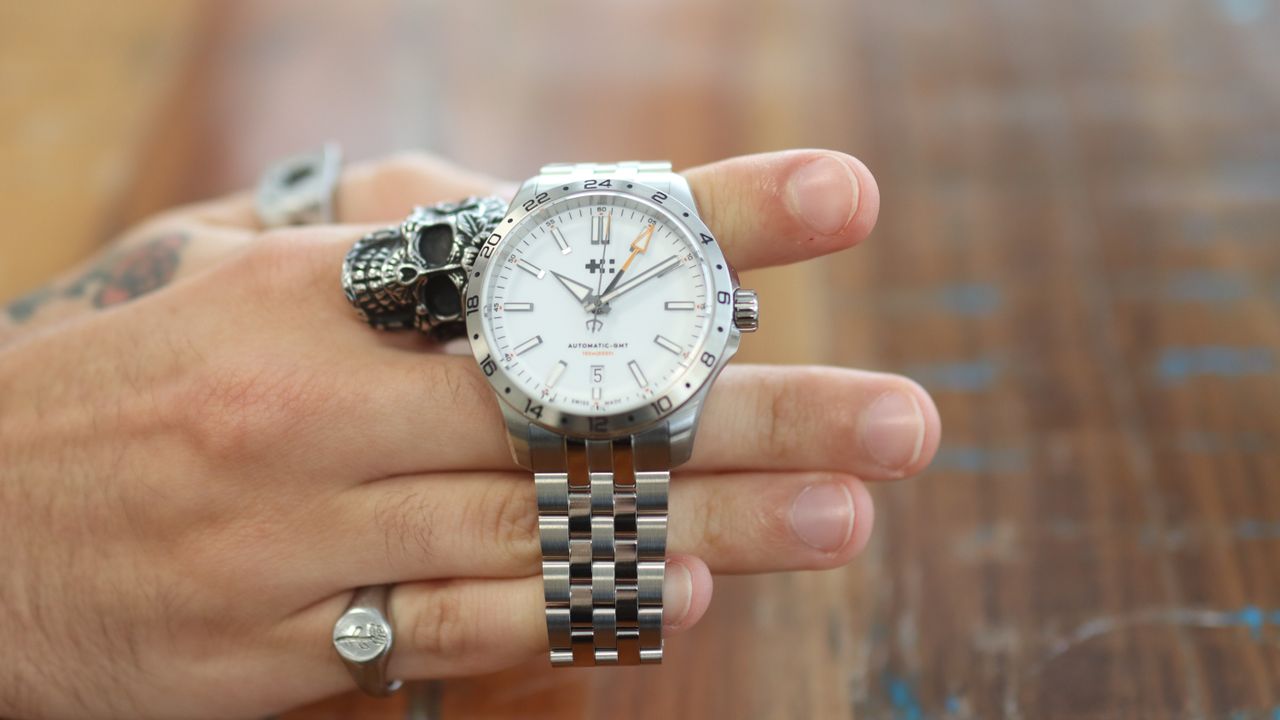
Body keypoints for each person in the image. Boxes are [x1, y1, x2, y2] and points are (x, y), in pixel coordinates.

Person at [0, 149, 941, 719]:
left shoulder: (681, 307)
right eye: (580, 289)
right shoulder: (504, 320)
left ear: (726, 313)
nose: (598, 301)